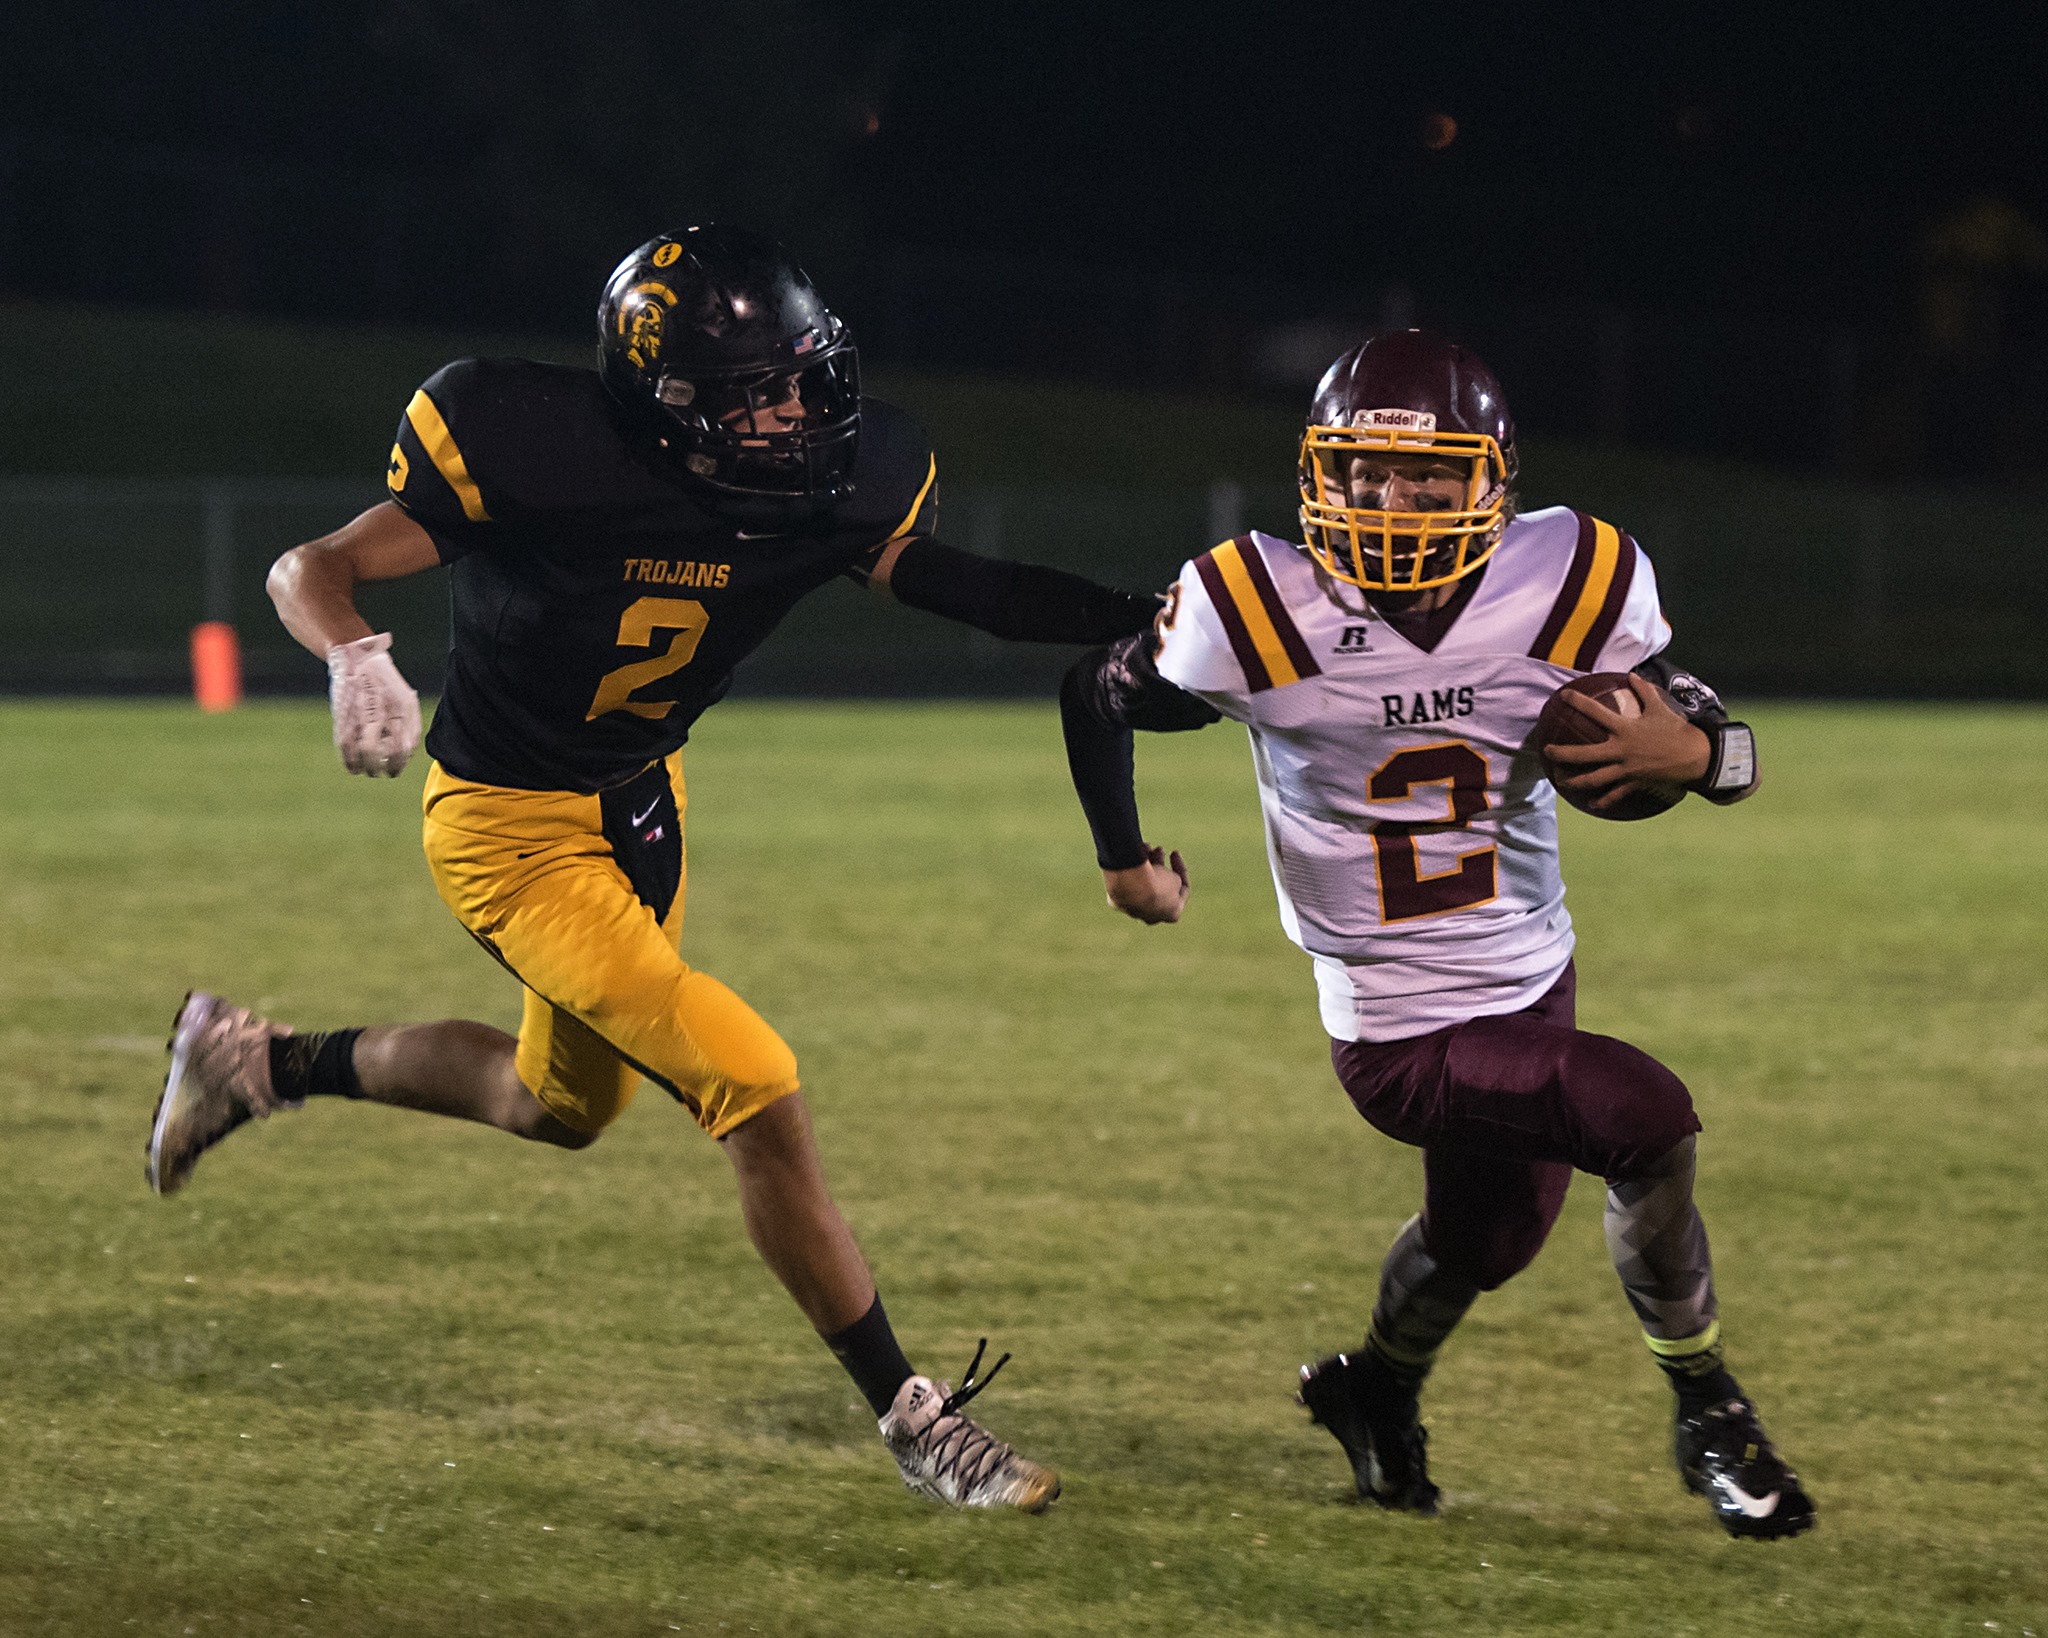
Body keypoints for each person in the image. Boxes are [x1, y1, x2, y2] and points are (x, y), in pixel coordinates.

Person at [146, 224, 1161, 1512]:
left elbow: (979, 590)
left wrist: (1154, 620)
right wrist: (353, 654)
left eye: (804, 380)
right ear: (670, 402)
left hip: (640, 801)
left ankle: (253, 1061)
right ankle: (916, 1422)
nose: (799, 415)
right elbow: (313, 566)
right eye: (763, 395)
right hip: (510, 830)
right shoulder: (530, 446)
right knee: (755, 1082)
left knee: (555, 1106)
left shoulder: (835, 481)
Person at [1058, 329, 1813, 1540]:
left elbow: (1726, 748)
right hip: (1398, 1025)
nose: (1389, 501)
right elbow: (1094, 693)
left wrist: (1696, 755)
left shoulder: (1569, 577)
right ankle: (1707, 1409)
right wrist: (1122, 863)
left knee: (1489, 1237)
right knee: (1643, 1116)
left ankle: (1373, 1388)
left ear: (1491, 482)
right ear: (1319, 475)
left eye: (1426, 475)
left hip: (1532, 969)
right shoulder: (1257, 606)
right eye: (1362, 472)